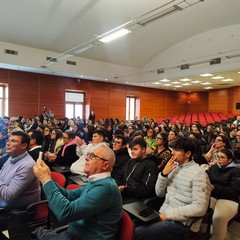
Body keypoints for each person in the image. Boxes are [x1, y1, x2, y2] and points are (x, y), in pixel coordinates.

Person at [32, 145, 122, 240]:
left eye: (92, 156)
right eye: (88, 154)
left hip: (80, 237)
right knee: (37, 232)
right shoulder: (98, 182)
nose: (86, 158)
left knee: (37, 233)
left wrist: (46, 180)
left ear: (105, 165)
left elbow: (66, 213)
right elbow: (69, 195)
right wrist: (47, 177)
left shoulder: (106, 188)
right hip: (74, 235)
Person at [135, 137, 211, 240]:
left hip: (182, 224)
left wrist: (168, 215)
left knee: (138, 233)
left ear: (188, 154)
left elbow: (200, 208)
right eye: (173, 149)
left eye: (177, 150)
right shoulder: (174, 167)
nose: (172, 153)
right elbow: (159, 193)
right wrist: (163, 174)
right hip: (164, 214)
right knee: (131, 224)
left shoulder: (199, 174)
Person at [0, 131, 41, 238]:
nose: (8, 143)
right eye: (9, 140)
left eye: (13, 141)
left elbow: (8, 196)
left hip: (18, 211)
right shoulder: (12, 158)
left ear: (24, 146)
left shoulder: (27, 165)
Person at [207, 149, 240, 240]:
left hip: (229, 199)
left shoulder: (236, 171)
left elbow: (234, 191)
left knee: (219, 217)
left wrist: (215, 188)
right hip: (213, 196)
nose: (219, 159)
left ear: (229, 160)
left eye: (222, 157)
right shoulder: (214, 167)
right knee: (199, 207)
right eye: (218, 157)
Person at [115, 137, 158, 202]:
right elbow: (119, 175)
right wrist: (119, 185)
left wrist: (126, 189)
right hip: (123, 194)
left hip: (135, 199)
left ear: (143, 150)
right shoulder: (131, 161)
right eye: (131, 149)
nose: (132, 152)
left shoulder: (150, 165)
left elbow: (146, 189)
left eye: (135, 149)